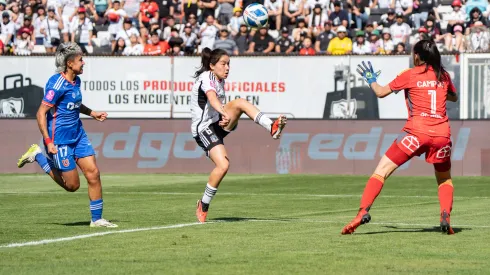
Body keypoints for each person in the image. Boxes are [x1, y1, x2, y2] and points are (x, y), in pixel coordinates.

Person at [342, 39, 458, 235]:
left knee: (381, 171)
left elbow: (380, 92)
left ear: (417, 56)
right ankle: (445, 215)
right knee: (444, 179)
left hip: (416, 133)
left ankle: (362, 212)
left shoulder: (410, 75)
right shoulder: (443, 75)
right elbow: (453, 97)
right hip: (441, 135)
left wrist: (370, 79)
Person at [17, 42, 117, 228]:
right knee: (72, 186)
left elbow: (75, 104)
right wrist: (48, 142)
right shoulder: (56, 84)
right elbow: (41, 113)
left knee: (94, 173)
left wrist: (92, 112)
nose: (84, 62)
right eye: (80, 60)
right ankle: (38, 155)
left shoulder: (76, 81)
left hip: (78, 135)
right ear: (69, 64)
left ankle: (97, 219)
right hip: (60, 140)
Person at [192, 48, 287, 223]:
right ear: (212, 66)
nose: (227, 67)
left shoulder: (220, 81)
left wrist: (222, 116)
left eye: (229, 64)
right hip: (203, 129)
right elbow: (212, 99)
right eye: (223, 64)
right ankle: (203, 205)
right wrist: (222, 112)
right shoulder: (206, 77)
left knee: (240, 103)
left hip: (217, 124)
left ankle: (271, 126)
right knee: (223, 166)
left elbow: (216, 107)